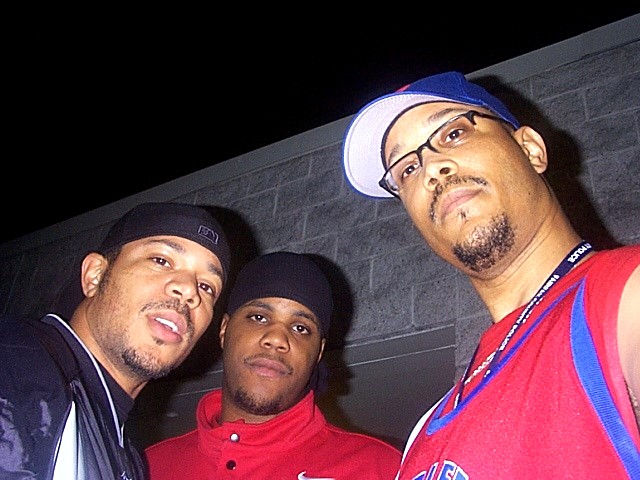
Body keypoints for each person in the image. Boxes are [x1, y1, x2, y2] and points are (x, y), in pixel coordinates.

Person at [342, 71, 640, 478]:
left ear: (530, 149)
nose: (431, 169)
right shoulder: (424, 432)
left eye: (453, 133)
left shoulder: (622, 297)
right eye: (407, 169)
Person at [0, 202, 231, 479]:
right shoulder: (17, 362)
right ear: (95, 275)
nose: (189, 290)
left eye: (207, 287)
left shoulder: (129, 460)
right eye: (161, 260)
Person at [144, 251, 402, 479]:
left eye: (300, 328)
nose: (277, 339)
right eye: (258, 317)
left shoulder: (382, 468)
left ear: (319, 352)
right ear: (224, 330)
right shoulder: (145, 467)